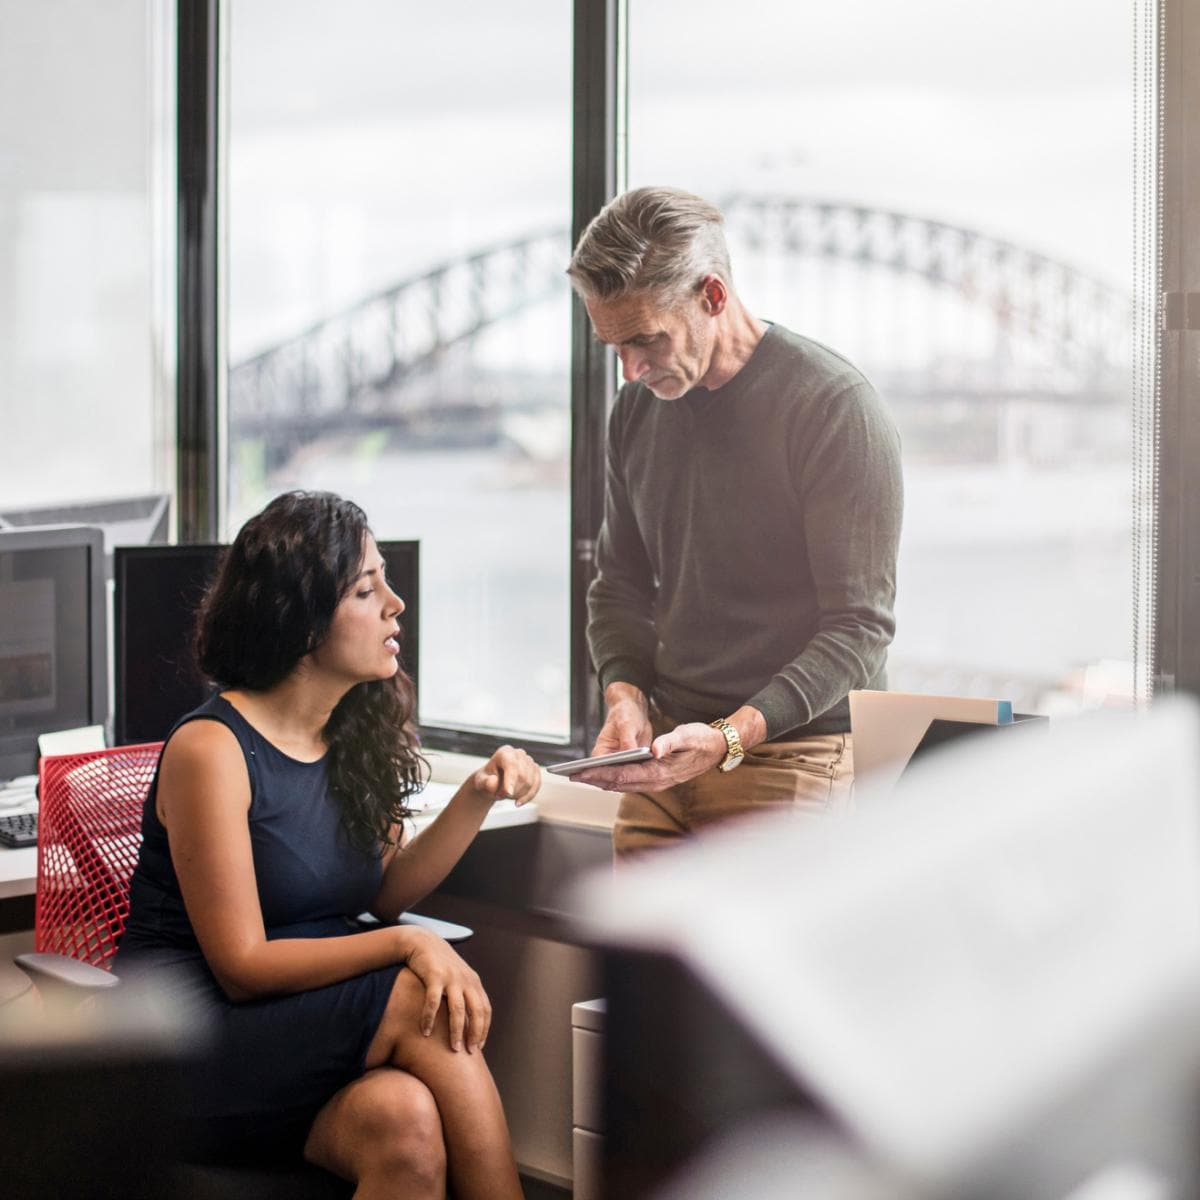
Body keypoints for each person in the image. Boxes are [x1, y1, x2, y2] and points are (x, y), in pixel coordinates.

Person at [114, 490, 537, 1200]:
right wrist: (408, 944)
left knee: (407, 1125)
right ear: (303, 621)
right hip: (187, 1043)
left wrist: (477, 795)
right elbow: (243, 967)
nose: (396, 605)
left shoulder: (352, 731)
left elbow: (385, 891)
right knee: (422, 1000)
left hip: (298, 1030)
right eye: (367, 591)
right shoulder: (212, 749)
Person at [565, 186, 903, 857]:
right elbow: (618, 584)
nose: (630, 371)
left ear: (712, 296)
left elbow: (859, 627)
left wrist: (728, 738)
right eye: (614, 347)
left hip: (795, 753)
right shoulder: (636, 410)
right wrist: (625, 698)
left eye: (646, 340)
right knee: (630, 933)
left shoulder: (833, 406)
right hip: (667, 750)